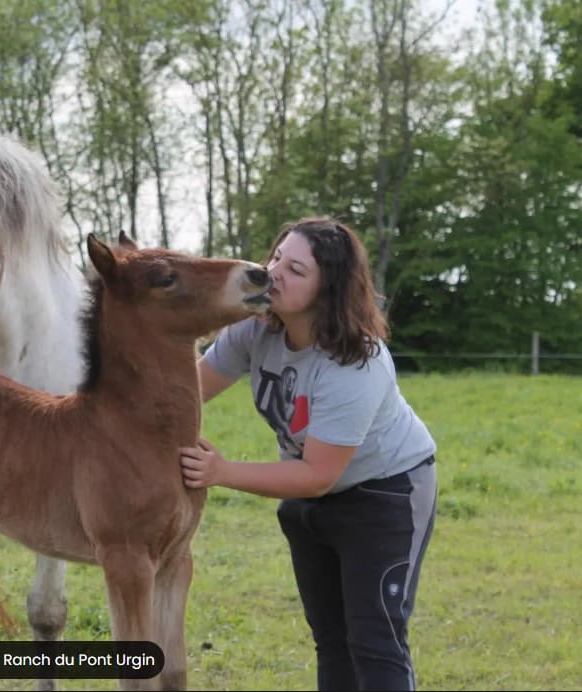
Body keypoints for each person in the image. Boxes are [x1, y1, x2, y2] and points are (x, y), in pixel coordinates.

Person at [179, 217, 437, 691]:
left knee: (375, 640)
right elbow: (186, 394)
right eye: (276, 257)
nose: (274, 272)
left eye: (296, 269)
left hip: (385, 494)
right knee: (332, 640)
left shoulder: (355, 362)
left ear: (329, 289)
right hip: (310, 499)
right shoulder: (253, 330)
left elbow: (318, 474)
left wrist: (222, 471)